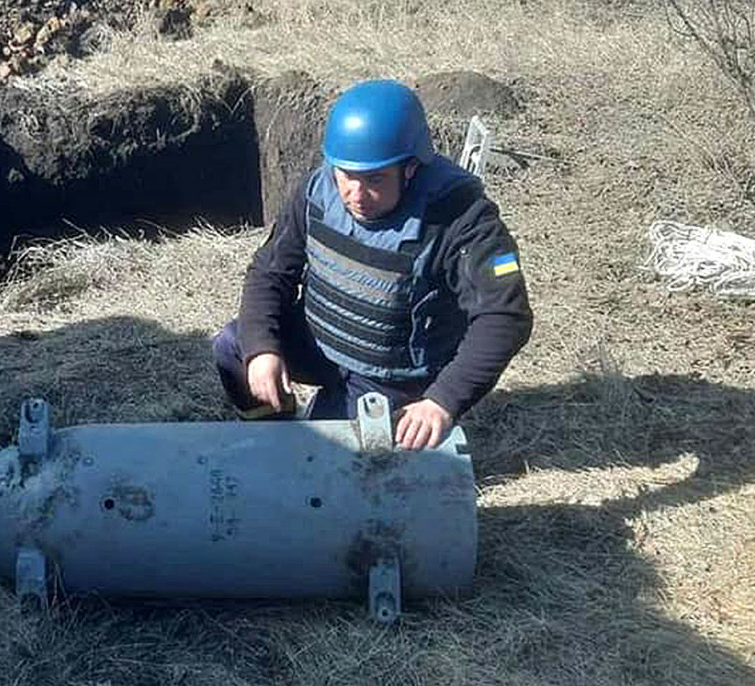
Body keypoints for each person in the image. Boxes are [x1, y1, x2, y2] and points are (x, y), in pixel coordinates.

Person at [212, 79, 532, 450]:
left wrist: (443, 400)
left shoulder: (462, 219)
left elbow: (505, 317)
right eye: (346, 176)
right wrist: (262, 349)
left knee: (328, 462)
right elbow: (269, 272)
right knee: (235, 345)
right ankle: (274, 436)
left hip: (392, 374)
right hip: (319, 340)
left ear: (410, 167)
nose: (356, 195)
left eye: (375, 180)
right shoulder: (317, 190)